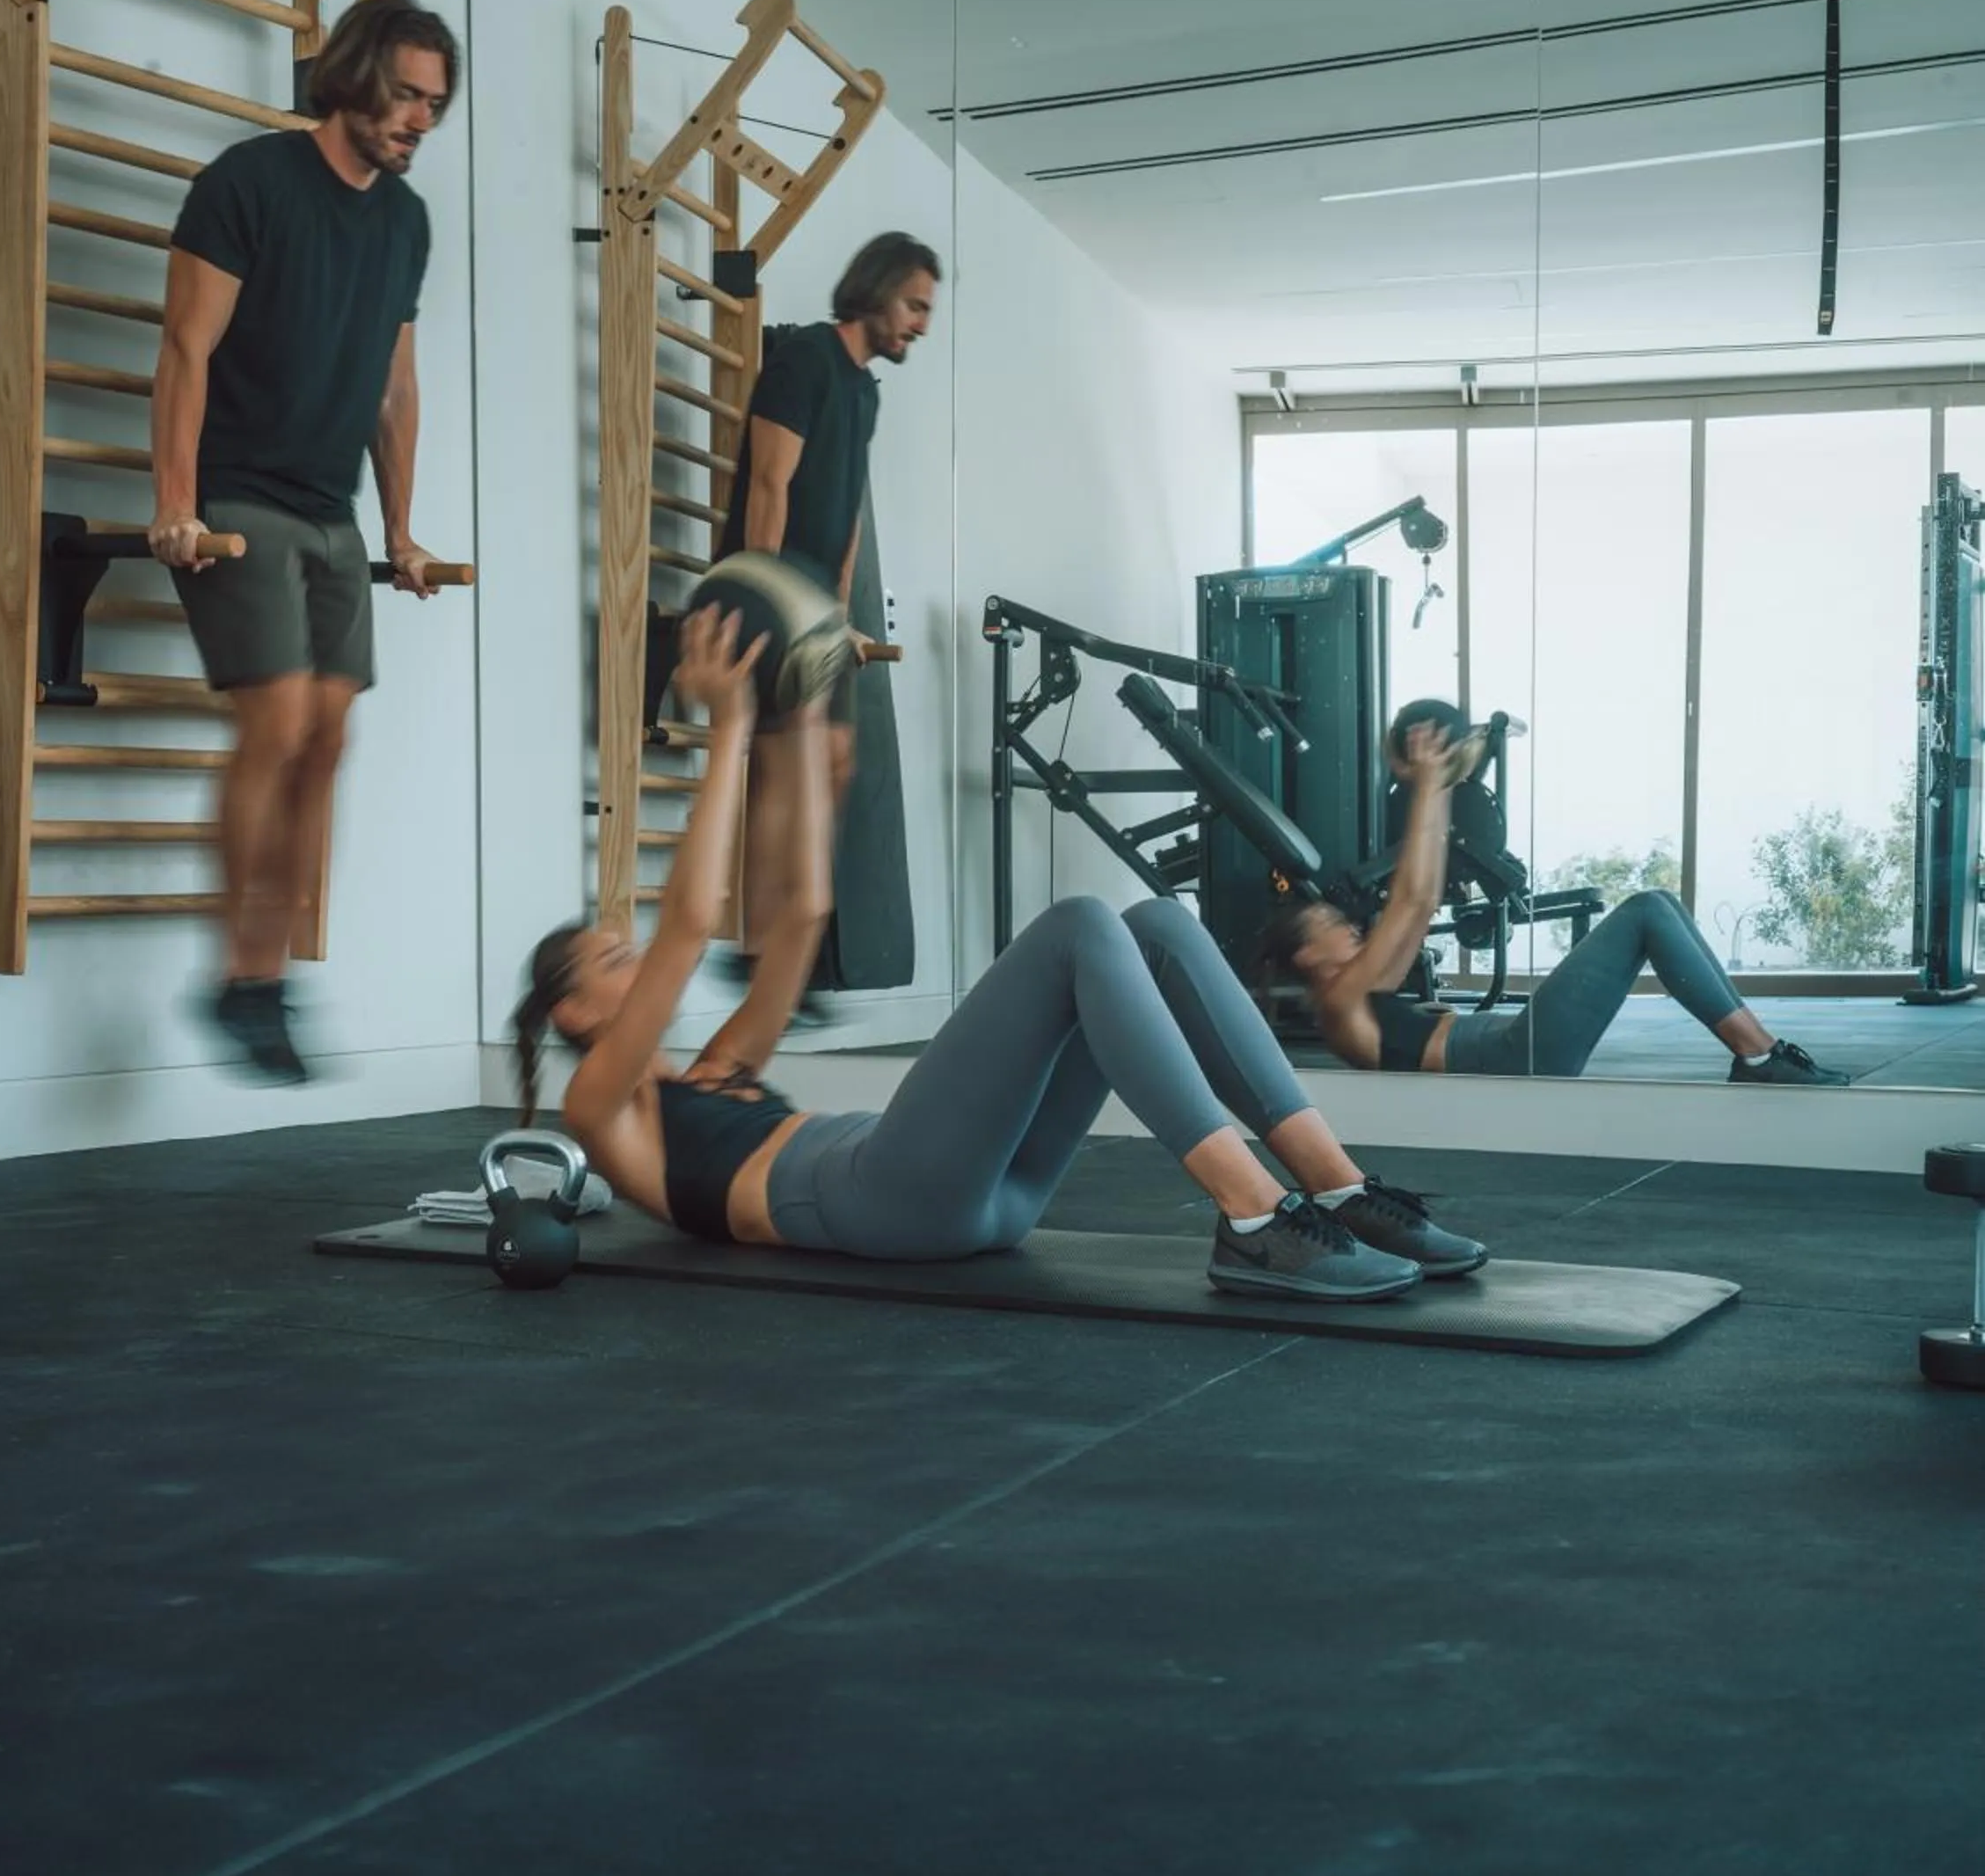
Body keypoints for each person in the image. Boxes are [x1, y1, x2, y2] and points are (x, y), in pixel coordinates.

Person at [507, 610, 1492, 1303]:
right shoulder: (600, 1106)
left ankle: (1340, 1191)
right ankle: (1250, 1217)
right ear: (572, 1015)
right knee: (1075, 927)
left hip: (985, 1194)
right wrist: (727, 727)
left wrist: (802, 722)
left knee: (1153, 926)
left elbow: (803, 914)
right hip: (887, 1202)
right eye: (608, 960)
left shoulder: (719, 1070)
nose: (634, 956)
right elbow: (686, 927)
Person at [147, 0, 457, 1084]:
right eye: (407, 94)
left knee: (327, 741)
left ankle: (265, 982)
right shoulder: (249, 182)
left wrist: (405, 529)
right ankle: (243, 978)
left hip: (332, 512)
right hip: (238, 496)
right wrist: (175, 504)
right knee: (276, 724)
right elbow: (187, 348)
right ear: (356, 77)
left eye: (436, 103)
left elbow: (395, 388)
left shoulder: (406, 222)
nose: (421, 119)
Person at [1259, 722, 1852, 1084]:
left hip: (1517, 1044)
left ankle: (1759, 1052)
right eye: (1330, 926)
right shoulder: (1339, 1002)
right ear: (1309, 956)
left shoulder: (1359, 999)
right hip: (1520, 1055)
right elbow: (1413, 902)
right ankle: (1757, 1055)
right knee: (1645, 910)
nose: (1347, 927)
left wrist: (1435, 791)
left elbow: (1418, 901)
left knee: (1660, 902)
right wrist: (1428, 785)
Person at [709, 232, 938, 1018]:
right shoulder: (804, 360)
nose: (921, 324)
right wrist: (763, 601)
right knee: (791, 766)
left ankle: (777, 946)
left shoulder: (865, 391)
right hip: (773, 591)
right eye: (915, 305)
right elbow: (769, 485)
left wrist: (842, 618)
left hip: (818, 606)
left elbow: (843, 515)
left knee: (832, 763)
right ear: (874, 291)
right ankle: (763, 949)